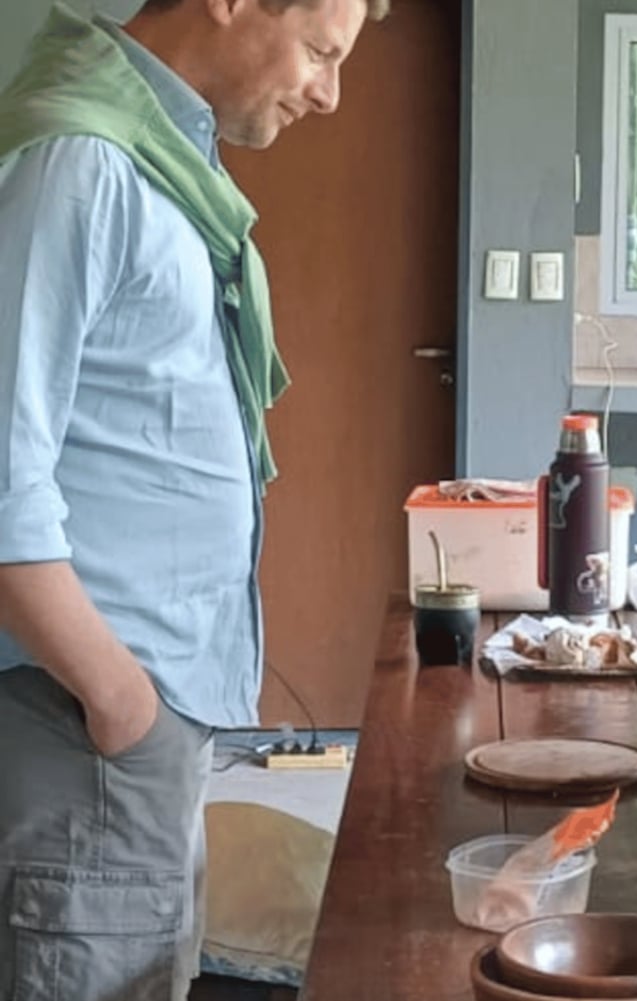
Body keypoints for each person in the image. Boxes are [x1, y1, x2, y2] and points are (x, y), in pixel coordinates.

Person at [0, 0, 383, 996]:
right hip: (82, 713)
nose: (329, 93)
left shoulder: (165, 163)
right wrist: (121, 699)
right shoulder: (79, 163)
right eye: (317, 52)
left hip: (127, 715)